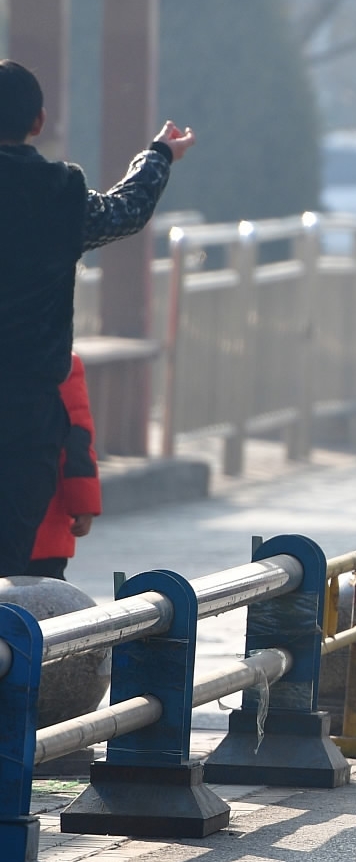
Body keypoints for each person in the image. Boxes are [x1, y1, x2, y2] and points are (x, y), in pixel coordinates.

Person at [0, 60, 192, 574]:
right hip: (27, 413)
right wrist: (158, 157)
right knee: (12, 563)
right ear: (38, 122)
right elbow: (124, 211)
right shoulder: (58, 193)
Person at [20, 353, 101, 580]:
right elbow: (75, 438)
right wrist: (83, 505)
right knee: (43, 604)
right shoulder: (60, 362)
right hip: (41, 517)